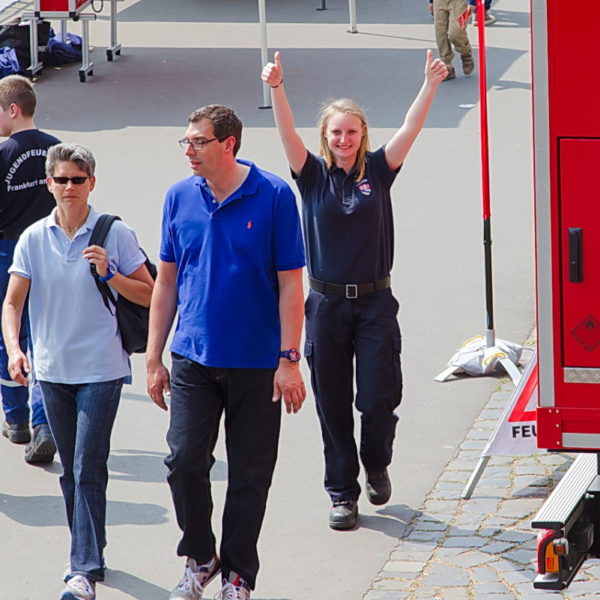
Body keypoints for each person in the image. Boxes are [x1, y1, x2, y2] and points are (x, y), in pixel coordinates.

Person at [261, 50, 447, 530]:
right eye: (335, 132)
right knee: (333, 404)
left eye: (351, 131)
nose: (343, 139)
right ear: (325, 137)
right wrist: (278, 87)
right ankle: (342, 493)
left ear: (363, 134)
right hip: (324, 306)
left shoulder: (380, 171)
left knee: (378, 397)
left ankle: (377, 460)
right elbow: (286, 134)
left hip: (375, 303)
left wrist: (429, 83)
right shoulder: (312, 177)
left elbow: (411, 128)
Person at [146, 104, 306, 600]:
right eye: (186, 141)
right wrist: (154, 357)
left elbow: (290, 286)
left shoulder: (275, 195)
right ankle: (201, 554)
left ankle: (238, 575)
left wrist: (289, 360)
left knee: (249, 475)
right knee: (184, 462)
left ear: (228, 144)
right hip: (193, 357)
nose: (189, 150)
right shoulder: (178, 197)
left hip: (259, 363)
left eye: (198, 141)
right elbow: (166, 282)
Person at [2, 143, 154, 600]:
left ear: (92, 183)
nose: (69, 188)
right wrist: (14, 349)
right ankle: (92, 553)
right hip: (51, 373)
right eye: (61, 180)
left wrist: (111, 274)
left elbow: (151, 294)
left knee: (87, 465)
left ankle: (81, 569)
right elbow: (12, 303)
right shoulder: (33, 238)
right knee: (72, 469)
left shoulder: (115, 234)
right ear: (48, 184)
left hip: (102, 371)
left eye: (78, 179)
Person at [0, 74, 60, 463]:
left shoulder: (3, 153)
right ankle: (44, 422)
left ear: (12, 109)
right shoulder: (57, 150)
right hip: (51, 247)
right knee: (44, 336)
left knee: (9, 334)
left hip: (8, 250)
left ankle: (16, 417)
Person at [428, 0, 476, 80]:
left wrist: (472, 2)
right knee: (440, 33)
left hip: (459, 2)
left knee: (456, 32)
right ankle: (446, 65)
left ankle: (465, 52)